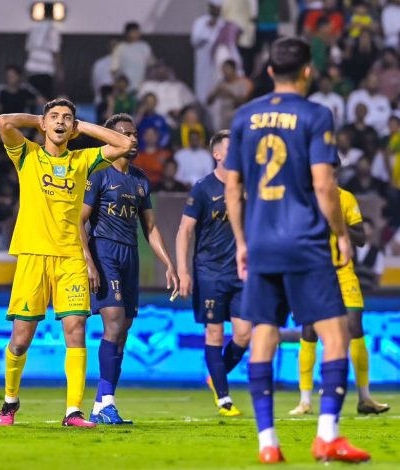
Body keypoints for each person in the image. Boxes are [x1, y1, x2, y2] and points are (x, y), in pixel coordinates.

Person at [223, 37, 370, 463]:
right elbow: (324, 183)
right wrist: (341, 234)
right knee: (335, 333)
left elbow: (233, 187)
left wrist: (242, 241)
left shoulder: (244, 116)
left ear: (269, 71)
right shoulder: (315, 113)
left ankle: (268, 443)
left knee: (264, 334)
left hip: (262, 240)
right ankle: (327, 434)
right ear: (308, 71)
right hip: (305, 240)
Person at [0, 98, 132, 428]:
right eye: (54, 117)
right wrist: (41, 120)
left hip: (70, 257)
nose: (60, 122)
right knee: (21, 339)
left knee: (76, 329)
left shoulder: (83, 160)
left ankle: (73, 412)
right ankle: (10, 402)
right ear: (43, 124)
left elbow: (124, 143)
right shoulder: (28, 155)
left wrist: (81, 126)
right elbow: (3, 120)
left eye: (66, 118)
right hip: (32, 255)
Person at [80, 113, 178, 424]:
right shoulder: (98, 175)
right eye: (125, 134)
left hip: (130, 256)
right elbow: (79, 221)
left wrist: (169, 264)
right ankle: (108, 402)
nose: (132, 139)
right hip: (105, 251)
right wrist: (89, 261)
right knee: (113, 323)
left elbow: (150, 228)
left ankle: (100, 405)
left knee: (123, 331)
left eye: (134, 134)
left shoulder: (139, 179)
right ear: (109, 139)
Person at [290, 187, 389, 417]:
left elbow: (361, 239)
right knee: (309, 331)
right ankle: (305, 401)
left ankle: (365, 398)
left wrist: (336, 221)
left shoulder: (345, 198)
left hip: (343, 274)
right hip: (311, 274)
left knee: (355, 328)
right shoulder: (303, 196)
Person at [176, 130, 251, 417]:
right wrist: (184, 270)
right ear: (217, 154)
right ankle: (224, 398)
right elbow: (185, 230)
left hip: (241, 272)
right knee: (215, 332)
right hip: (209, 271)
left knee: (244, 334)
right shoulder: (203, 188)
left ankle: (215, 375)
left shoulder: (248, 188)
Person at [24, 17, 61, 100]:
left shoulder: (32, 29)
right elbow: (55, 50)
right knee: (44, 99)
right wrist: (59, 70)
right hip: (45, 71)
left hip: (33, 70)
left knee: (36, 98)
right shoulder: (52, 29)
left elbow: (28, 50)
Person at [111, 22, 154, 92]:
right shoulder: (120, 47)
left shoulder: (145, 46)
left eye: (138, 32)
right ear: (127, 33)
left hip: (141, 87)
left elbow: (151, 65)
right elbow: (113, 70)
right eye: (134, 32)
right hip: (124, 88)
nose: (137, 34)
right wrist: (116, 85)